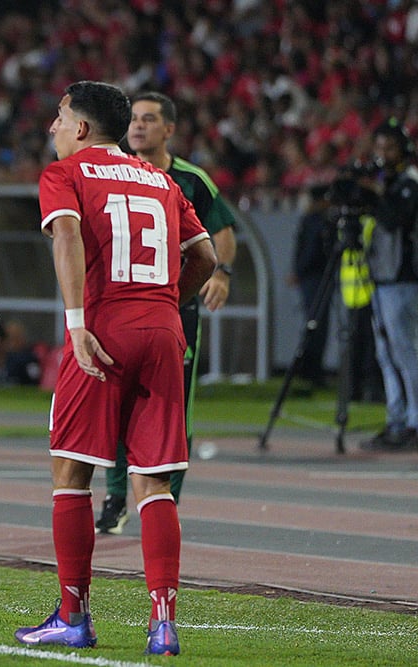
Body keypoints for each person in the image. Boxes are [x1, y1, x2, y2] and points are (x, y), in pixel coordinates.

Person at [12, 81, 216, 654]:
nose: (52, 128)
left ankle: (73, 616)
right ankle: (163, 625)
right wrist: (165, 307)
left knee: (72, 473)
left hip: (103, 331)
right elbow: (205, 256)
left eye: (58, 118)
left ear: (80, 127)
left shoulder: (66, 174)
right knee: (154, 484)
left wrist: (77, 322)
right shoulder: (162, 180)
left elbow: (68, 236)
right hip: (162, 332)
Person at [95, 92, 238, 535]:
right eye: (134, 118)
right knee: (117, 403)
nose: (138, 126)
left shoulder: (190, 180)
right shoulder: (114, 172)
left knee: (173, 407)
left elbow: (222, 232)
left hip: (173, 312)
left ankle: (164, 499)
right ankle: (117, 495)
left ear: (169, 129)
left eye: (149, 119)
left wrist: (222, 274)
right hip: (122, 309)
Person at [359, 119, 418, 452]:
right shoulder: (390, 181)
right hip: (384, 276)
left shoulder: (410, 182)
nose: (383, 154)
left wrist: (374, 194)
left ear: (403, 149)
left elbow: (393, 219)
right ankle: (397, 421)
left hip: (405, 279)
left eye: (390, 147)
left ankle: (417, 424)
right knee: (387, 355)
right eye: (380, 147)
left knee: (405, 351)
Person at [288, 184, 334, 390]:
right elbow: (312, 251)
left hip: (312, 278)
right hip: (316, 278)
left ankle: (309, 369)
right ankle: (312, 370)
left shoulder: (312, 221)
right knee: (317, 326)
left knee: (314, 324)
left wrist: (298, 271)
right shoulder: (321, 222)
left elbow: (303, 249)